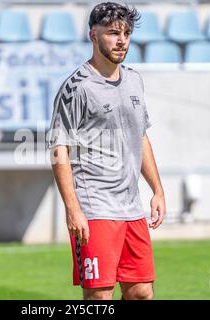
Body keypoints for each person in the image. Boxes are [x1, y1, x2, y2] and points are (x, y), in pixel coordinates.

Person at [47, 2, 166, 300]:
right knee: (100, 296)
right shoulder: (77, 87)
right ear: (93, 35)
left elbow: (140, 137)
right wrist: (73, 208)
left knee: (141, 292)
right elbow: (59, 148)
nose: (121, 39)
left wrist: (157, 190)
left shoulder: (134, 81)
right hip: (95, 207)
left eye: (126, 33)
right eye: (113, 32)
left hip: (132, 208)